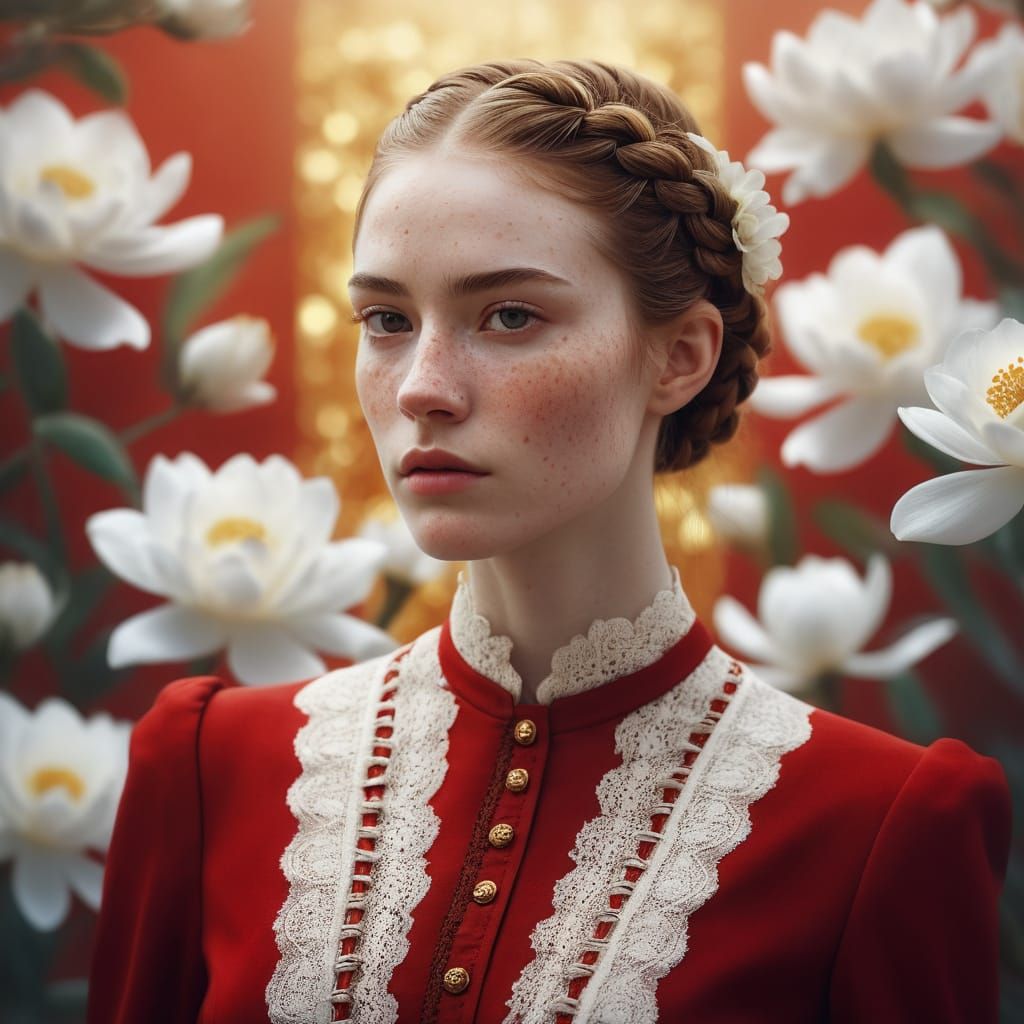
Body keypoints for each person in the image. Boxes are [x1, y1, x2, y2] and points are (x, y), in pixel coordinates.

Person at [86, 59, 1011, 1024]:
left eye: (510, 315)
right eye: (387, 319)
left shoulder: (879, 825)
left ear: (680, 356)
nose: (421, 387)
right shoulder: (211, 768)